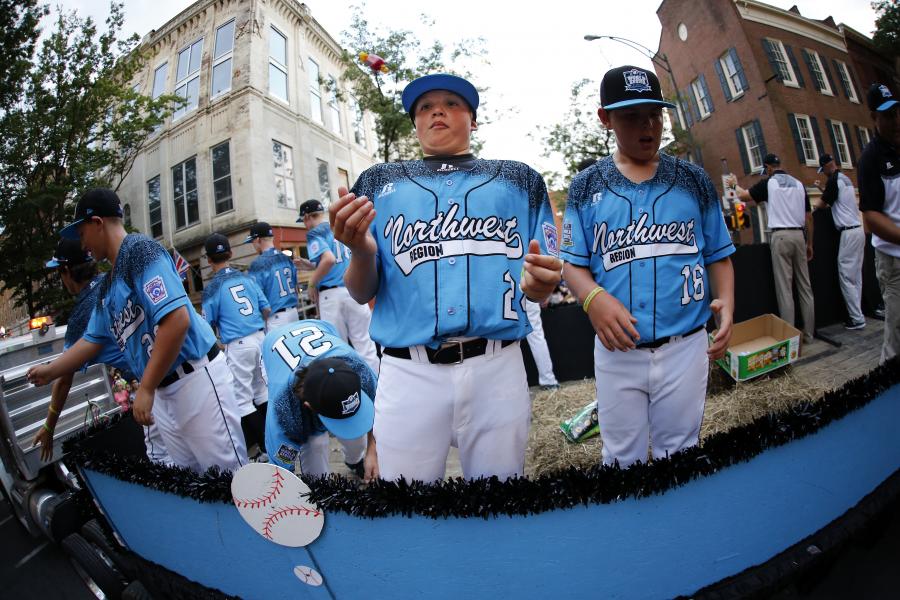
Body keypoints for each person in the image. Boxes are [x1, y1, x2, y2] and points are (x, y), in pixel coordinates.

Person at [330, 73, 562, 483]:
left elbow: (542, 272)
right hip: (408, 373)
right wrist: (361, 251)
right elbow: (361, 289)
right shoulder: (377, 184)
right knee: (408, 510)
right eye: (425, 106)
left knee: (500, 503)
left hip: (498, 366)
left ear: (473, 121)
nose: (438, 110)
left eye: (453, 103)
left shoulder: (520, 180)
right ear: (415, 124)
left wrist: (540, 285)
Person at [561, 65, 735, 468]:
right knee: (622, 458)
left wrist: (726, 300)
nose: (647, 126)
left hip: (686, 344)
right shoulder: (586, 186)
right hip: (618, 349)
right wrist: (592, 299)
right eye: (631, 116)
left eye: (654, 114)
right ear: (605, 118)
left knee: (682, 452)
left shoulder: (692, 179)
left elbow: (718, 254)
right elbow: (572, 264)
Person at [27, 188, 247, 473]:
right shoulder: (107, 285)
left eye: (82, 234)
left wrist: (145, 387)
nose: (83, 245)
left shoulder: (140, 251)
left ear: (97, 223)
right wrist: (50, 370)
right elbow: (91, 342)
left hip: (194, 377)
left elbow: (176, 320)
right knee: (192, 484)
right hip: (162, 391)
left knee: (231, 480)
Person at [31, 238, 172, 465]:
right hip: (173, 375)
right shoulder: (113, 282)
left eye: (59, 272)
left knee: (163, 461)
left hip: (156, 390)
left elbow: (63, 378)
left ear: (66, 271)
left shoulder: (82, 314)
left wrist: (49, 425)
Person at [262, 319, 376, 480]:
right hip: (273, 345)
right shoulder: (285, 412)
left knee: (358, 438)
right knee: (315, 444)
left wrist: (373, 451)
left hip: (319, 326)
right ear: (309, 406)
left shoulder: (360, 371)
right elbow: (280, 471)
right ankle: (318, 488)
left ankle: (354, 461)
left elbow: (379, 410)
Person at [201, 232, 271, 456]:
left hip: (238, 344)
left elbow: (206, 326)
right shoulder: (247, 277)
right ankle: (277, 443)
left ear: (209, 260)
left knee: (242, 401)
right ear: (230, 254)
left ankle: (268, 448)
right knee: (262, 392)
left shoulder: (212, 288)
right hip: (259, 337)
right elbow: (266, 308)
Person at [736, 153, 815, 343]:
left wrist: (733, 184)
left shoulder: (768, 183)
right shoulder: (798, 184)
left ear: (768, 168)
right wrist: (809, 243)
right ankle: (810, 334)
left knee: (785, 289)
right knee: (805, 287)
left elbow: (743, 196)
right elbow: (808, 217)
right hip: (799, 235)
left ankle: (790, 338)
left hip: (780, 237)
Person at [297, 199, 379, 373]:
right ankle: (376, 385)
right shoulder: (337, 226)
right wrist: (310, 265)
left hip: (332, 296)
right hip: (354, 290)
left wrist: (312, 282)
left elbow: (329, 259)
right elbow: (335, 260)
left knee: (338, 347)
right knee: (365, 344)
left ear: (306, 217)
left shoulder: (315, 232)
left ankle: (349, 390)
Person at [859, 82, 900, 362]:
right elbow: (871, 216)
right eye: (887, 115)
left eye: (897, 112)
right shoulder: (871, 159)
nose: (896, 120)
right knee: (896, 333)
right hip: (894, 260)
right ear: (874, 118)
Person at [814, 153, 865, 330]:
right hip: (858, 229)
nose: (823, 175)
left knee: (845, 275)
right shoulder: (845, 178)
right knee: (856, 276)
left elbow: (821, 205)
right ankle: (859, 313)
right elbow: (835, 201)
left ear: (827, 166)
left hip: (848, 233)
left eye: (823, 171)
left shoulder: (834, 180)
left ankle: (856, 318)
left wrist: (816, 202)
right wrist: (823, 190)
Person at [245, 221, 299, 332]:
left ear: (258, 240)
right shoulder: (286, 257)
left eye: (252, 242)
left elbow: (256, 298)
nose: (253, 245)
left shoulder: (257, 264)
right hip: (294, 314)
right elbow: (296, 287)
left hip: (276, 319)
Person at [524, 300, 559, 389]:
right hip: (526, 294)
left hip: (501, 295)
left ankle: (548, 380)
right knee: (536, 336)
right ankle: (548, 380)